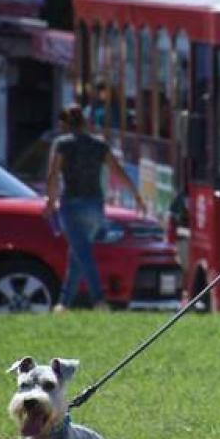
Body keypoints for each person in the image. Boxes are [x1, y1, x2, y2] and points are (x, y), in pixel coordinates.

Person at [44, 105, 145, 312]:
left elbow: (53, 175)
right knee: (77, 254)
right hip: (95, 206)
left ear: (64, 124)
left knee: (83, 253)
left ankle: (99, 300)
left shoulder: (62, 144)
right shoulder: (99, 145)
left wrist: (50, 201)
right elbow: (117, 171)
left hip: (71, 204)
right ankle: (64, 303)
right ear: (84, 122)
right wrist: (136, 195)